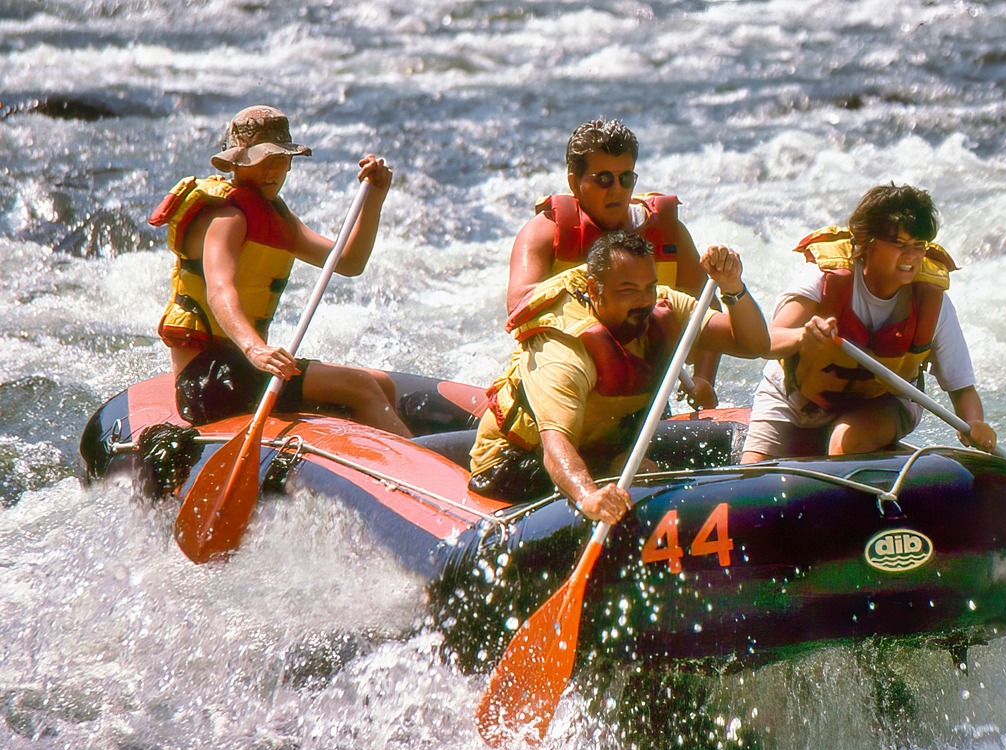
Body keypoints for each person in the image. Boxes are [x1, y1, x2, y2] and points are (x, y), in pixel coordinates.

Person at [469, 230, 770, 522]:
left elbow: (753, 343)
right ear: (593, 290)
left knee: (645, 467)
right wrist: (588, 496)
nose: (644, 301)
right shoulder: (564, 350)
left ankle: (616, 466)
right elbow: (556, 446)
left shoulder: (662, 306)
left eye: (649, 287)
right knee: (635, 473)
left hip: (602, 448)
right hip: (516, 463)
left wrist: (733, 287)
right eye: (628, 291)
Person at [149, 104, 411, 436]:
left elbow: (348, 262)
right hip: (209, 379)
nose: (273, 171)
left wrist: (374, 197)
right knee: (360, 387)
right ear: (237, 163)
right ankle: (422, 462)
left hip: (245, 369)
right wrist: (254, 348)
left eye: (280, 159)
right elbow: (219, 289)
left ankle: (385, 454)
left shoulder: (277, 220)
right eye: (262, 160)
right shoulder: (227, 217)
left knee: (381, 384)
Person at [740, 183, 996, 463]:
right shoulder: (823, 276)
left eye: (918, 246)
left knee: (846, 441)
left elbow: (962, 388)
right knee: (754, 472)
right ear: (865, 242)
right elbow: (768, 341)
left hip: (882, 403)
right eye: (900, 245)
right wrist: (804, 336)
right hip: (794, 397)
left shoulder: (933, 301)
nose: (911, 256)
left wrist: (975, 423)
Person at [506, 118, 723, 409]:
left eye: (626, 179)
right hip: (555, 388)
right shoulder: (545, 233)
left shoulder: (667, 234)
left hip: (638, 398)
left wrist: (704, 379)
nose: (617, 190)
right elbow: (518, 304)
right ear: (574, 182)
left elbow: (708, 308)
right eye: (603, 179)